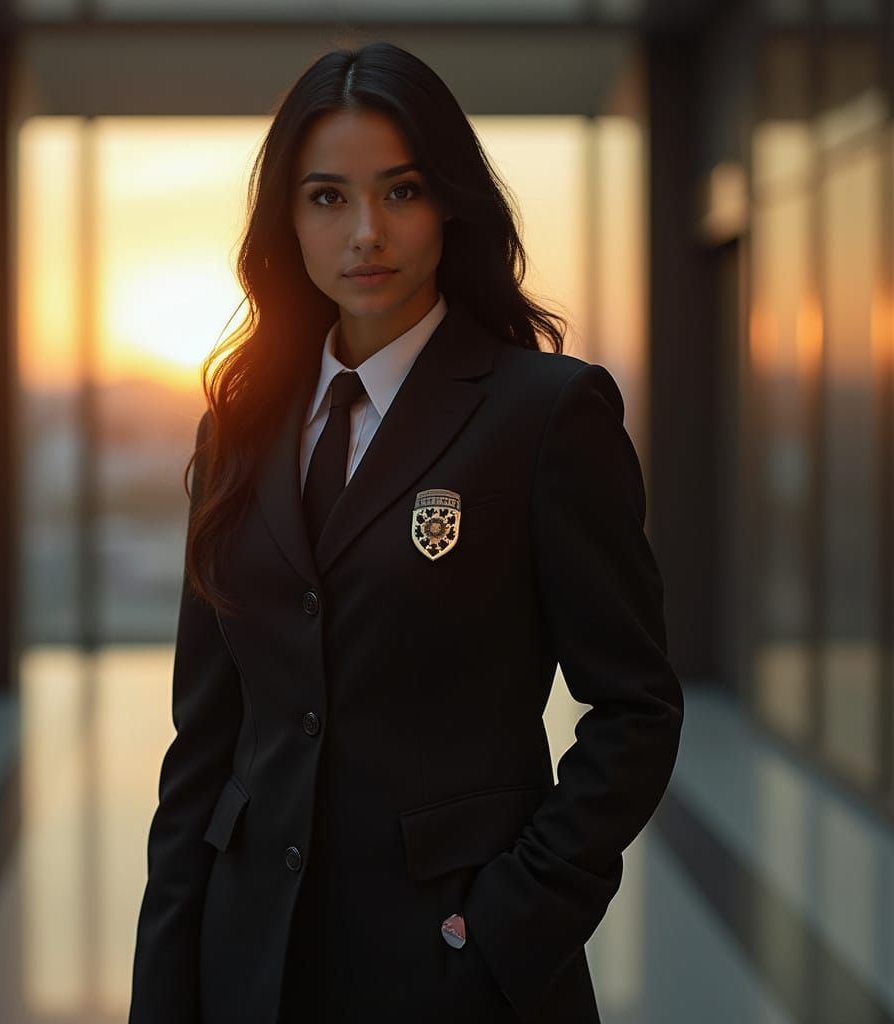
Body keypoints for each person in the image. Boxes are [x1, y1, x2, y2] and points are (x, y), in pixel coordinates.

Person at [129, 39, 684, 1024]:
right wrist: (165, 985)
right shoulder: (241, 429)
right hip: (250, 960)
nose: (365, 233)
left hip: (455, 966)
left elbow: (635, 709)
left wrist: (509, 926)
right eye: (328, 197)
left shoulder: (544, 414)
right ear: (287, 220)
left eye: (401, 190)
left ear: (449, 202)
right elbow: (206, 741)